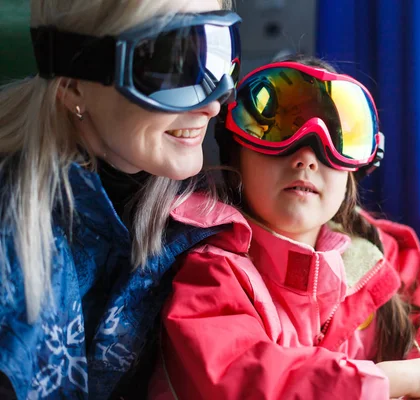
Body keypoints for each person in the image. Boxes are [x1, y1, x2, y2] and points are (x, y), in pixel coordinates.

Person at [150, 58, 420, 400]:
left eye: (333, 139)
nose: (306, 158)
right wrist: (390, 380)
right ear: (236, 150)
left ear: (355, 169)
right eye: (277, 131)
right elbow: (242, 379)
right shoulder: (212, 271)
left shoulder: (377, 252)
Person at [0, 1, 241, 399]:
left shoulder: (200, 217)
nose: (212, 102)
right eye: (172, 61)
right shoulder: (13, 233)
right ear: (74, 84)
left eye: (219, 51)